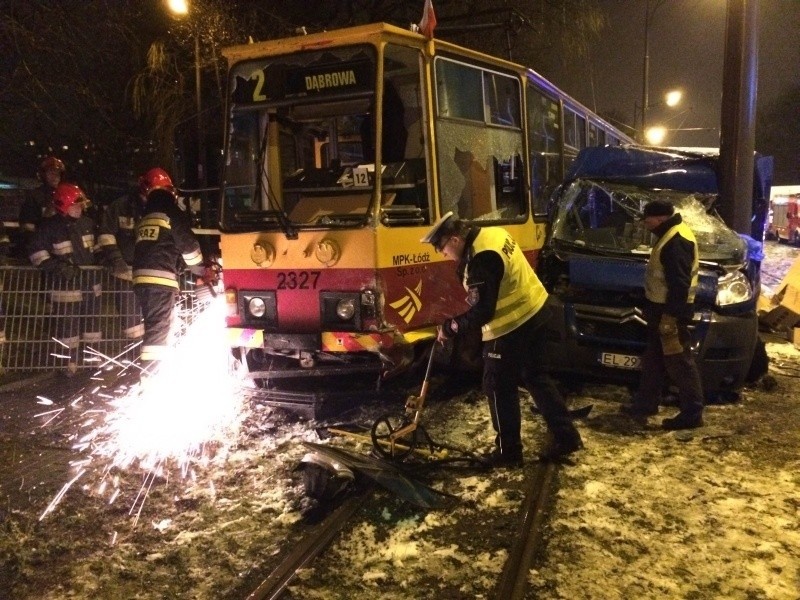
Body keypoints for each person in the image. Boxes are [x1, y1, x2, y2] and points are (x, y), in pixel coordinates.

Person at [421, 211, 583, 466]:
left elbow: (484, 310)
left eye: (442, 248)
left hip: (511, 325)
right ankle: (567, 437)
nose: (443, 254)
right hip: (537, 310)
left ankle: (509, 453)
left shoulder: (482, 259)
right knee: (536, 377)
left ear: (454, 239)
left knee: (497, 386)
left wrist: (451, 327)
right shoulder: (492, 233)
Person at [620, 200, 704, 429]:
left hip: (671, 312)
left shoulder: (676, 241)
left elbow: (679, 284)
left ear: (660, 219)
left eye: (648, 220)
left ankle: (693, 413)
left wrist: (670, 318)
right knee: (654, 360)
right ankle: (645, 403)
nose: (646, 225)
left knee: (679, 362)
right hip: (661, 309)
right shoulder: (670, 234)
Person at [132, 179, 203, 379]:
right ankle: (151, 376)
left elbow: (160, 247)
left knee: (155, 325)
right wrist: (201, 269)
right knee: (159, 329)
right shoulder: (170, 213)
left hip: (142, 281)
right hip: (160, 281)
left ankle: (152, 372)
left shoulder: (146, 216)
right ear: (170, 192)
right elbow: (188, 246)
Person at [28, 183, 102, 375]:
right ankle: (69, 363)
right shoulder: (50, 227)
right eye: (76, 205)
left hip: (89, 287)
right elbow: (36, 254)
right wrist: (59, 268)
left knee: (92, 328)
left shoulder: (87, 224)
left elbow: (96, 250)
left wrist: (104, 260)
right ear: (63, 205)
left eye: (81, 205)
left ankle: (92, 361)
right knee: (68, 330)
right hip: (65, 289)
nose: (80, 208)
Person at [96, 169, 174, 341]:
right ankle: (134, 358)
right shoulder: (120, 207)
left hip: (153, 277)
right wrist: (117, 261)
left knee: (158, 323)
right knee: (133, 325)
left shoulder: (166, 210)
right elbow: (106, 236)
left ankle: (148, 359)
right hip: (126, 274)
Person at [19, 156, 65, 254]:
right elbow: (27, 227)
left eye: (57, 174)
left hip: (62, 246)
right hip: (42, 247)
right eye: (51, 173)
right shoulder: (35, 196)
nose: (55, 177)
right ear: (43, 175)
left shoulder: (64, 195)